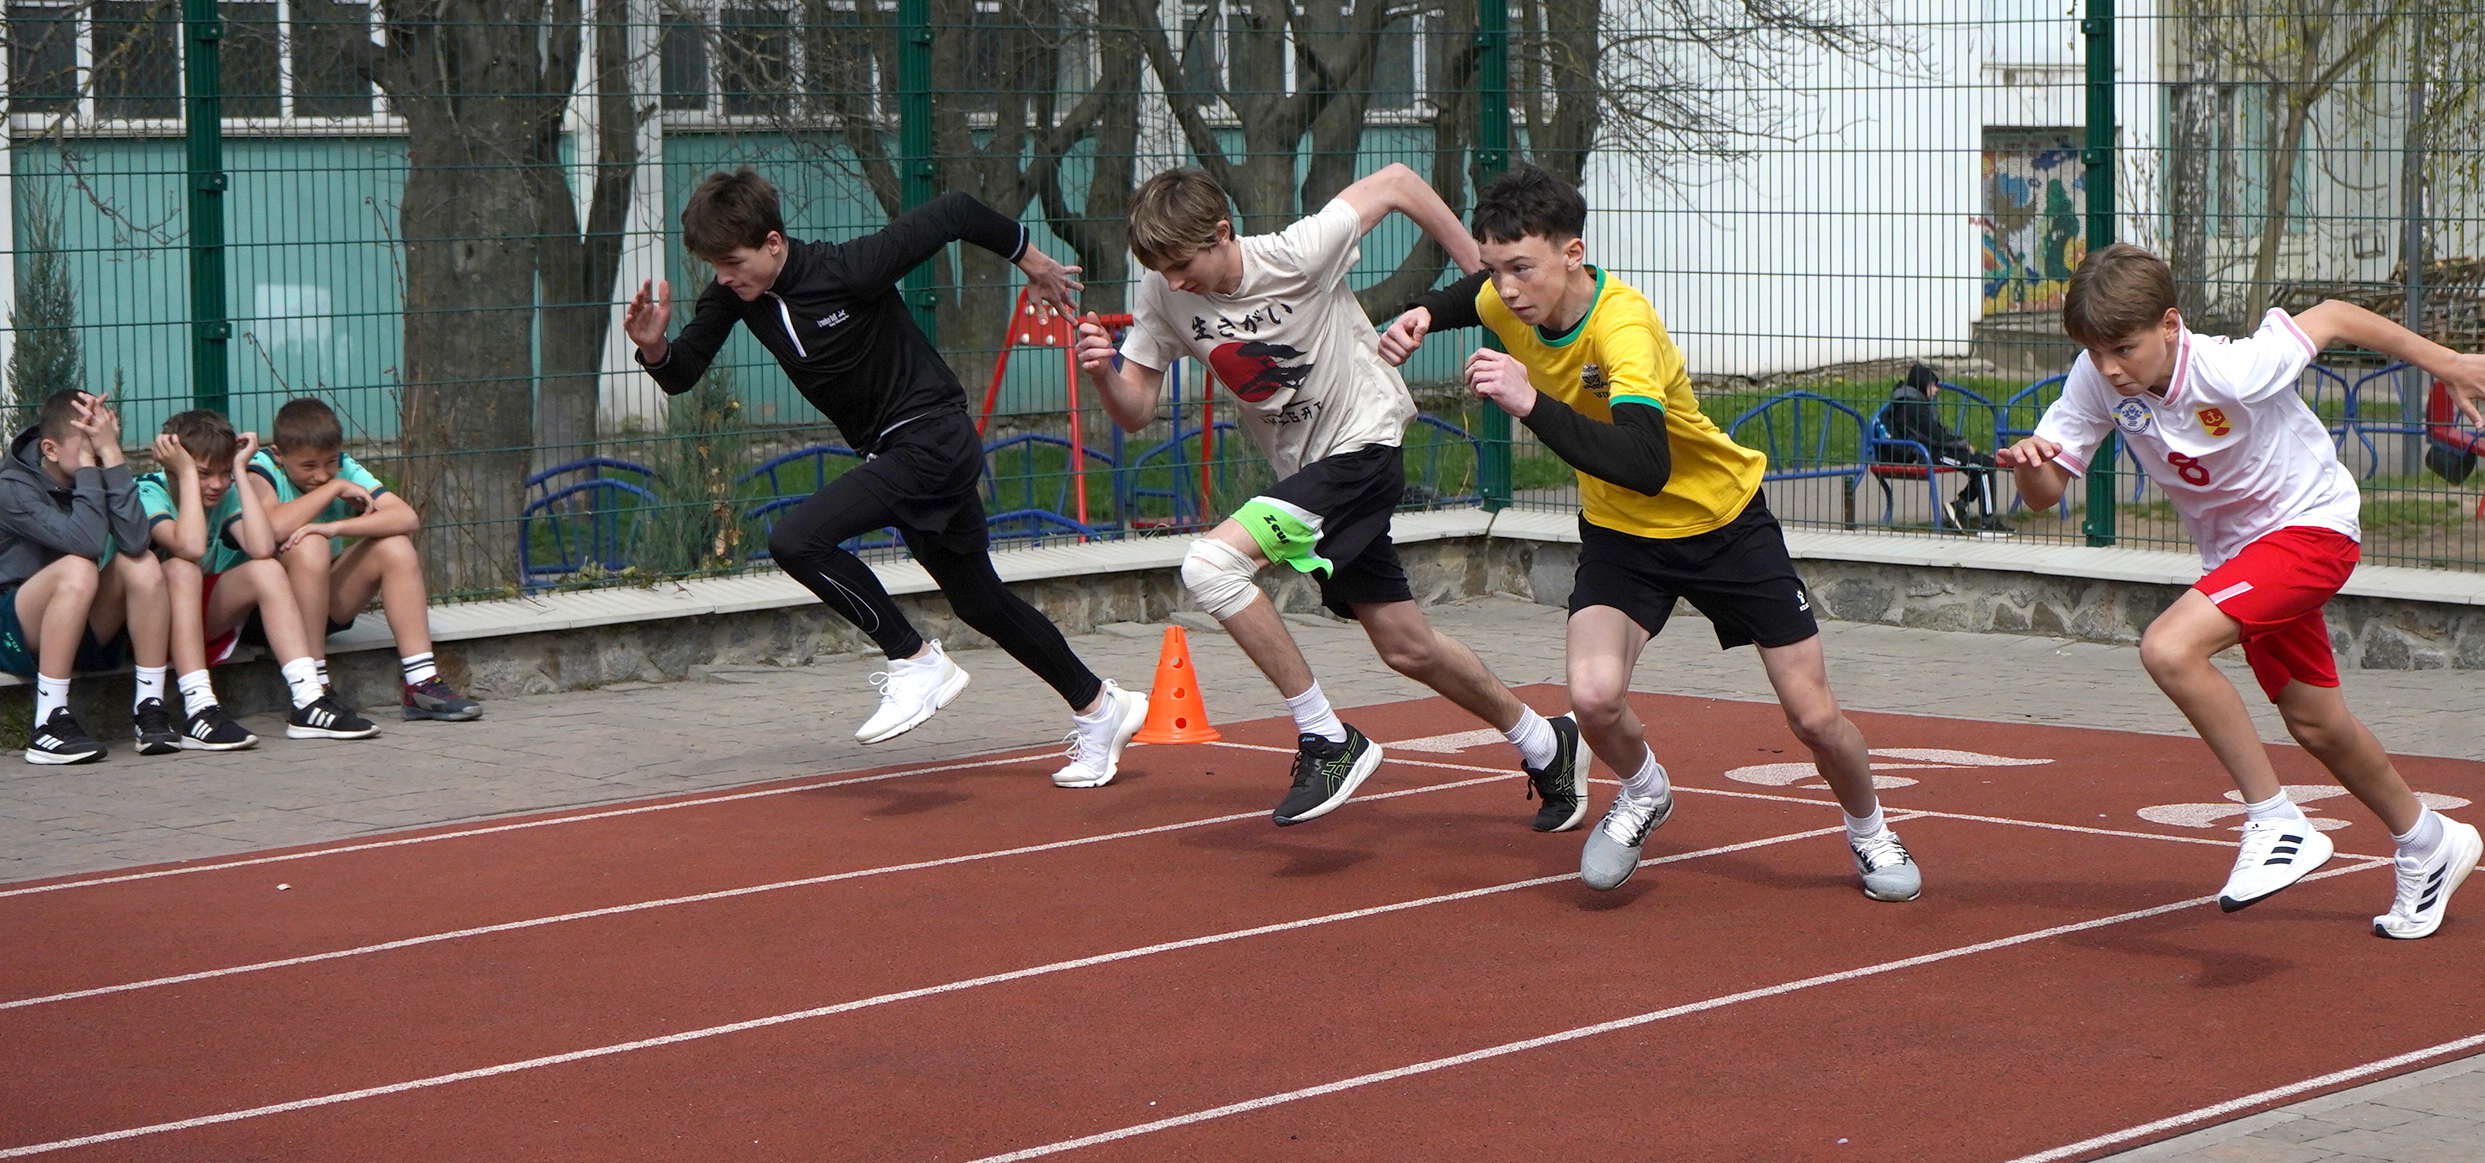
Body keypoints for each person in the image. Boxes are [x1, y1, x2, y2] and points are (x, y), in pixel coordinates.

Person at [1382, 163, 1921, 898]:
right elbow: (1467, 297)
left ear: (1572, 254)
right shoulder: (1510, 299)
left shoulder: (1624, 326)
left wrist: (1529, 399)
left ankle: (1870, 833)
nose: (1506, 289)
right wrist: (1421, 312)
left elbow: (1642, 461)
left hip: (1721, 522)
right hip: (1622, 537)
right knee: (1593, 694)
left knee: (1814, 717)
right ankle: (1642, 791)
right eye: (1495, 269)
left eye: (1520, 269)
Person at [1995, 243, 2485, 939]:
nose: (2110, 367)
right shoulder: (2097, 381)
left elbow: (2332, 315)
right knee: (2317, 724)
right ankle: (2428, 841)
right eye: (2093, 351)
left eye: (2123, 347)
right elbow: (2043, 496)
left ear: (2170, 324)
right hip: (2242, 557)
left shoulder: (2234, 367)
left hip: (2311, 529)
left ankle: (2275, 820)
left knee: (2169, 648)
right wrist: (2031, 462)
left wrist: (2444, 364)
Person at [1075, 164, 1583, 830]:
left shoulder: (1298, 251)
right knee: (1406, 646)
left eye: (1180, 264)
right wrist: (1103, 377)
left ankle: (1325, 736)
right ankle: (1547, 743)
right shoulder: (1163, 293)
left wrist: (1485, 281)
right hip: (1308, 471)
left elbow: (1399, 181)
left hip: (1365, 444)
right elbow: (1136, 409)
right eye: (1160, 269)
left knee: (1210, 564)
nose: (1173, 281)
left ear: (1221, 232)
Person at [626, 167, 1146, 788]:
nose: (724, 277)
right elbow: (683, 370)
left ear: (772, 242)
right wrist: (655, 348)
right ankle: (1099, 706)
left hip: (933, 438)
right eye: (714, 266)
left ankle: (914, 659)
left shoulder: (849, 267)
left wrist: (1033, 259)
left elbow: (954, 208)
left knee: (796, 541)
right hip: (894, 452)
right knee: (979, 600)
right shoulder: (734, 297)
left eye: (733, 261)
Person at [139, 409, 378, 743]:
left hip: (202, 617)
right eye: (204, 474)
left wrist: (240, 469)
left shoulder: (227, 491)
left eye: (224, 473)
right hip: (148, 627)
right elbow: (190, 547)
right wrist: (187, 477)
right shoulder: (149, 490)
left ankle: (308, 699)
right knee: (181, 569)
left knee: (266, 569)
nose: (217, 484)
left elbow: (262, 547)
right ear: (173, 466)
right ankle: (199, 708)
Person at [250, 397, 480, 722]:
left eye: (330, 463)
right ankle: (315, 689)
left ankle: (421, 683)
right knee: (309, 543)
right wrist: (334, 490)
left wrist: (336, 527)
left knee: (395, 546)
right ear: (278, 454)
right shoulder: (260, 468)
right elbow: (273, 528)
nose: (322, 474)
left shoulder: (343, 466)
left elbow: (405, 517)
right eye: (308, 466)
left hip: (319, 604)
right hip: (262, 613)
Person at [0, 390, 171, 762]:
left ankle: (150, 709)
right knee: (78, 567)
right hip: (14, 628)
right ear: (49, 449)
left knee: (142, 564)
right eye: (88, 445)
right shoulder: (12, 488)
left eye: (103, 440)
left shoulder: (95, 468)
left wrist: (112, 457)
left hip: (79, 619)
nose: (96, 452)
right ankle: (47, 723)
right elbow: (87, 542)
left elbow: (137, 541)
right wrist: (96, 467)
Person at [1881, 361, 2010, 533]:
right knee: (1983, 467)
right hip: (1924, 454)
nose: (1936, 390)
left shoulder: (1915, 402)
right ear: (1922, 384)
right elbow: (1933, 435)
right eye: (1933, 385)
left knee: (1986, 463)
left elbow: (1935, 432)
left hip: (1932, 450)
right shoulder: (1909, 405)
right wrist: (1962, 444)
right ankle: (1988, 524)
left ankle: (1960, 505)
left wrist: (1960, 445)